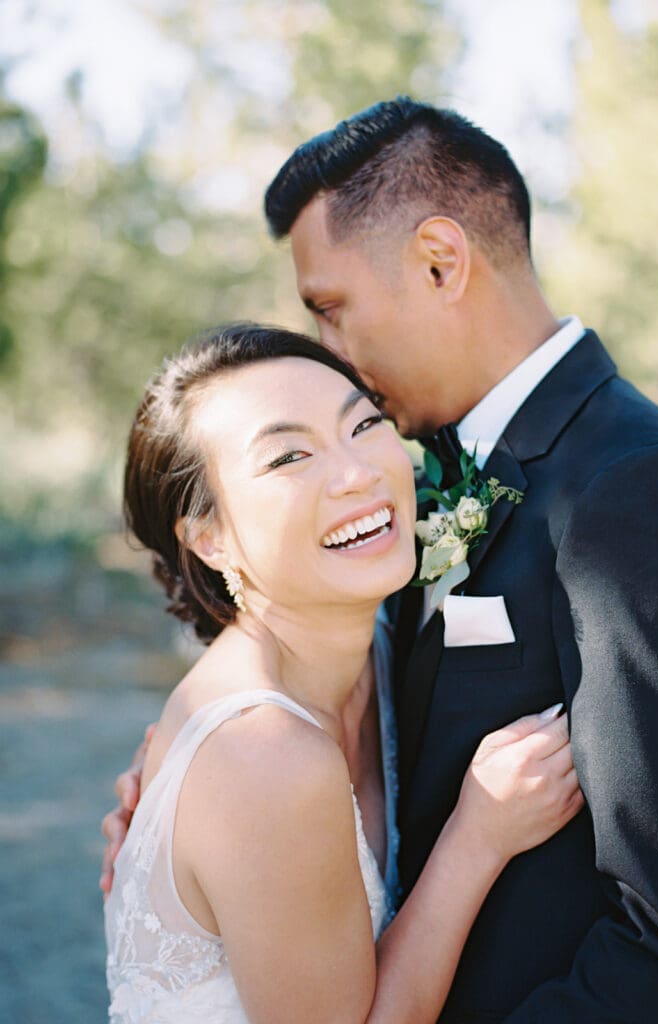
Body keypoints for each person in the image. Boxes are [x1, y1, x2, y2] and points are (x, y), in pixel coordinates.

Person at [103, 98, 658, 1021]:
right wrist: (194, 823)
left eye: (330, 311)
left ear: (439, 261)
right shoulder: (404, 487)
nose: (334, 359)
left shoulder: (635, 495)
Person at [103, 322, 582, 1024]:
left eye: (363, 425)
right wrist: (479, 838)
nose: (358, 473)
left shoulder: (384, 647)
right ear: (207, 536)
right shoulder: (262, 755)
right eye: (288, 456)